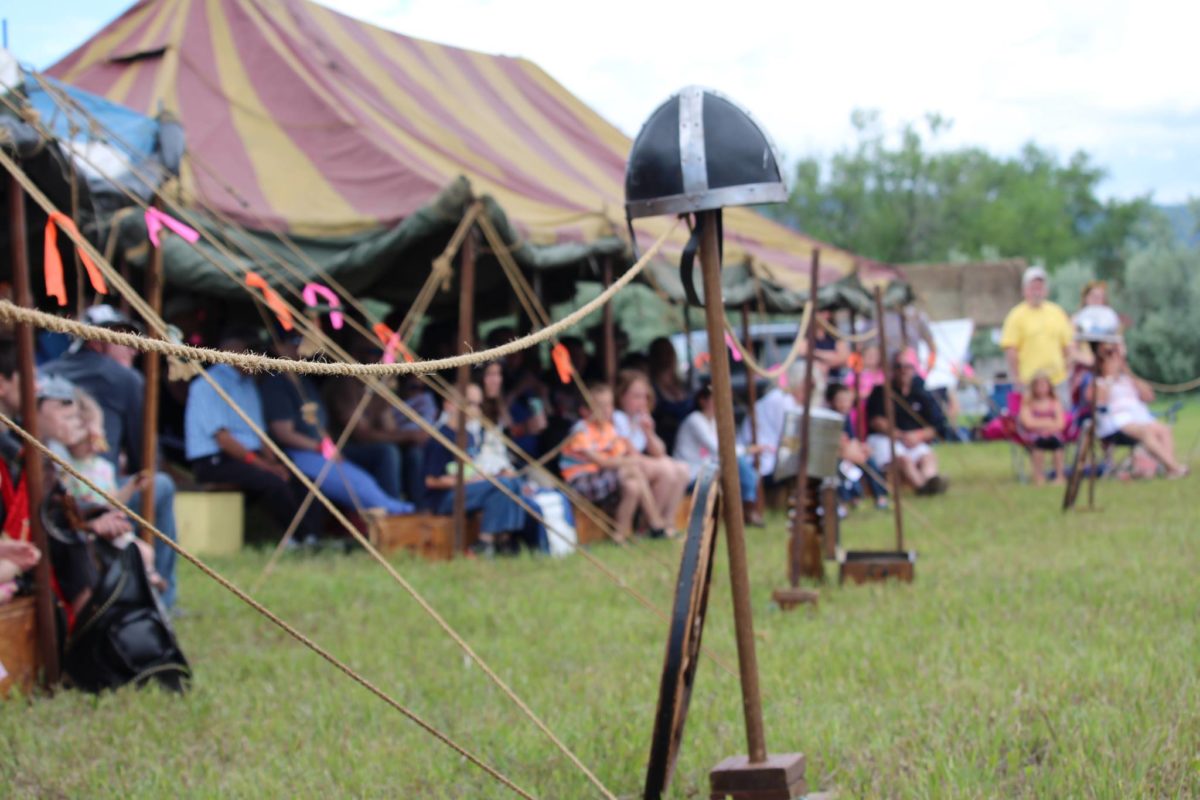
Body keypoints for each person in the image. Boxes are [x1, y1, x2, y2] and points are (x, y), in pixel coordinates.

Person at [42, 304, 180, 606]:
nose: (135, 351)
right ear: (97, 340)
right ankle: (165, 600)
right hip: (88, 493)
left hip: (52, 493)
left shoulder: (45, 373)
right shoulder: (125, 379)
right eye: (126, 341)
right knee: (162, 485)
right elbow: (145, 455)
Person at [184, 329, 325, 545]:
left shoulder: (248, 384)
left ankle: (312, 537)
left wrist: (275, 462)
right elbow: (223, 439)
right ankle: (300, 538)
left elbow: (260, 434)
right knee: (272, 481)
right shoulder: (206, 384)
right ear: (231, 351)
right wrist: (263, 465)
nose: (257, 356)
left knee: (301, 478)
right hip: (216, 460)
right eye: (250, 350)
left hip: (248, 455)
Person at [261, 337, 413, 517]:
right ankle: (392, 513)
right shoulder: (277, 384)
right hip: (298, 454)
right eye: (293, 342)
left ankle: (393, 509)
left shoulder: (303, 381)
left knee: (362, 481)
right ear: (276, 347)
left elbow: (318, 424)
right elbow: (283, 433)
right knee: (353, 484)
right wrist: (320, 447)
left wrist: (328, 446)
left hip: (322, 452)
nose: (299, 347)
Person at [60, 388, 168, 593]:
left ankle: (148, 578)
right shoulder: (66, 466)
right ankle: (142, 581)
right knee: (138, 553)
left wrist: (131, 486)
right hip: (88, 527)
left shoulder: (104, 468)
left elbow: (113, 501)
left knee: (144, 550)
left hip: (111, 523)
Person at [420, 384, 535, 557]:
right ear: (450, 405)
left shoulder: (471, 437)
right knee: (500, 486)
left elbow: (472, 470)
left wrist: (492, 476)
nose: (476, 410)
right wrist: (471, 482)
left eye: (478, 404)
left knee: (512, 482)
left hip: (469, 490)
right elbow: (431, 480)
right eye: (470, 404)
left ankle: (504, 538)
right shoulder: (440, 438)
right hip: (445, 498)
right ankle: (485, 541)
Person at [560, 382, 663, 542]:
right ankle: (656, 524)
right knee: (631, 470)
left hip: (600, 477)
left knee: (632, 486)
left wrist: (630, 457)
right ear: (585, 411)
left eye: (609, 405)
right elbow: (601, 461)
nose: (607, 410)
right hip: (581, 482)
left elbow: (621, 453)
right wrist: (630, 461)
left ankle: (620, 536)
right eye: (601, 406)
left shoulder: (608, 428)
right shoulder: (581, 429)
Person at [673, 381, 763, 524]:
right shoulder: (695, 420)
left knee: (737, 464)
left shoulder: (714, 421)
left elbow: (725, 448)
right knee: (737, 462)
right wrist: (747, 449)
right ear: (703, 401)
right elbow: (719, 449)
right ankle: (747, 505)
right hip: (692, 472)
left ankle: (746, 504)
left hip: (706, 468)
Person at [612, 370, 689, 536]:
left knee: (682, 469)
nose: (642, 401)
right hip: (623, 465)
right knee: (666, 469)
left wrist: (649, 432)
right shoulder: (618, 418)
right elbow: (628, 451)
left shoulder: (640, 419)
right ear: (622, 396)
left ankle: (668, 522)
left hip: (640, 463)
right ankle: (649, 525)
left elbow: (659, 452)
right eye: (636, 396)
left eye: (645, 397)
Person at [1092, 344, 1187, 478]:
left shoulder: (1127, 380)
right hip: (1117, 422)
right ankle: (1173, 467)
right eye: (1111, 360)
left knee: (1164, 430)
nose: (1116, 363)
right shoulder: (1100, 383)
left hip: (1140, 417)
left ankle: (1169, 469)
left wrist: (1129, 374)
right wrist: (1110, 378)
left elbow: (1149, 396)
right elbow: (1099, 402)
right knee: (1145, 432)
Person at [866, 350, 948, 495]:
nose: (903, 371)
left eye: (907, 367)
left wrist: (918, 436)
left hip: (913, 440)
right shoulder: (881, 392)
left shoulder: (922, 393)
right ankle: (922, 487)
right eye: (899, 366)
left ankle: (931, 480)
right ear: (893, 369)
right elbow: (876, 421)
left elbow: (936, 425)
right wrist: (901, 436)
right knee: (904, 461)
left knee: (928, 457)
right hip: (887, 439)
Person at [739, 359, 824, 484]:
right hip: (762, 459)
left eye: (811, 386)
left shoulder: (795, 402)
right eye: (805, 384)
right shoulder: (780, 399)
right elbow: (788, 439)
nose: (808, 390)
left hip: (779, 458)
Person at [1000, 266, 1074, 394]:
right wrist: (1016, 377)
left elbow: (1068, 345)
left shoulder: (1057, 312)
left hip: (1057, 380)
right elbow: (1011, 349)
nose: (1037, 291)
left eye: (1040, 287)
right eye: (1033, 287)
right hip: (1029, 382)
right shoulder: (1016, 316)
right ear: (1024, 290)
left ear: (1046, 290)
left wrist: (1068, 371)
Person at [825, 383, 888, 509]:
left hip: (849, 452)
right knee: (841, 467)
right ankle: (846, 499)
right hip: (836, 456)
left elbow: (852, 439)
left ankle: (879, 496)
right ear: (831, 401)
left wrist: (861, 448)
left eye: (847, 400)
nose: (844, 404)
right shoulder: (828, 419)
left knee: (869, 459)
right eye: (840, 401)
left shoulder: (846, 417)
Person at [1018, 371, 1067, 485]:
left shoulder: (1054, 402)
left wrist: (1042, 425)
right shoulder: (1028, 403)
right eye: (1038, 385)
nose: (1041, 389)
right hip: (1035, 436)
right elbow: (1028, 423)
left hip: (1053, 434)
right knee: (1038, 446)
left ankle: (1060, 476)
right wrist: (1048, 421)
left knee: (1057, 445)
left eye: (1044, 385)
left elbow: (1060, 424)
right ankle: (1038, 476)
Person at [647, 337, 692, 453]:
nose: (666, 357)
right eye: (661, 353)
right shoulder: (651, 388)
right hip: (669, 440)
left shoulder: (683, 382)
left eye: (668, 352)